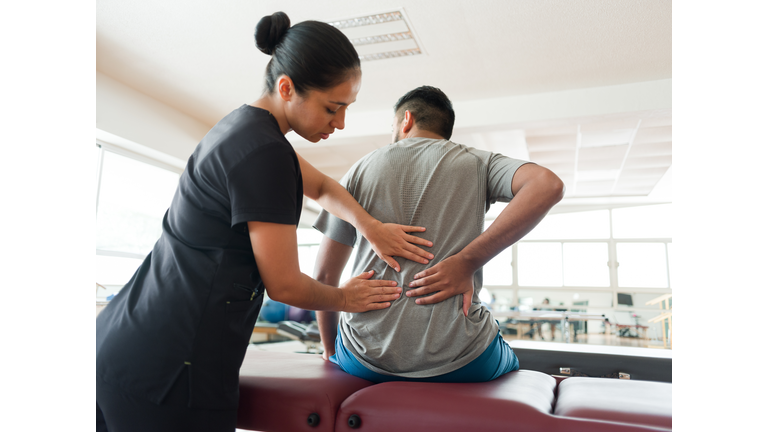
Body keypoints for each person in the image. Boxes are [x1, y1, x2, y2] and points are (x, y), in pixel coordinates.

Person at [95, 13, 436, 432]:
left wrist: (370, 226)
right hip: (168, 364)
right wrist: (347, 299)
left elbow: (324, 187)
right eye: (333, 107)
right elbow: (286, 285)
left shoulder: (245, 129)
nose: (341, 122)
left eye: (346, 107)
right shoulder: (264, 153)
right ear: (287, 87)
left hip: (125, 341)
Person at [313, 86, 565, 383]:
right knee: (508, 358)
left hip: (363, 358)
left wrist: (330, 351)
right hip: (462, 360)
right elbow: (547, 184)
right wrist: (467, 261)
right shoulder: (477, 162)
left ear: (405, 120)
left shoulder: (359, 169)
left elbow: (324, 277)